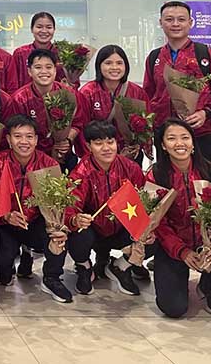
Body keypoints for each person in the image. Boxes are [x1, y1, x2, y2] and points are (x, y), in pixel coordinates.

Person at [147, 118, 211, 318]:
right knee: (174, 309)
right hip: (174, 248)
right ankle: (177, 279)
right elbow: (158, 223)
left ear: (193, 143)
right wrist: (181, 251)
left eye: (185, 137)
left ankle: (209, 287)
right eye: (172, 138)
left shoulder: (210, 171)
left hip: (208, 245)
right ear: (164, 146)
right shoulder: (156, 175)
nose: (179, 143)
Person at [0, 114, 73, 303]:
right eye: (17, 136)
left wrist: (58, 225)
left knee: (57, 234)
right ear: (8, 139)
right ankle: (12, 260)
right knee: (3, 274)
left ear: (36, 140)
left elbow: (57, 205)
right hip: (7, 225)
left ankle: (52, 277)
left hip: (35, 221)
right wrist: (7, 216)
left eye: (29, 136)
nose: (23, 141)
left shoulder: (49, 165)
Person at [143, 1, 211, 167]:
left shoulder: (206, 55)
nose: (175, 24)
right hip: (166, 136)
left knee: (209, 187)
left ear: (190, 23)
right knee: (170, 184)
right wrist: (147, 131)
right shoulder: (154, 58)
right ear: (160, 23)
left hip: (204, 135)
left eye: (181, 19)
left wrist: (206, 113)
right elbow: (147, 96)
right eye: (169, 19)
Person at [65, 120, 147, 296]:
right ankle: (85, 266)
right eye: (98, 143)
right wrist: (75, 219)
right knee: (77, 234)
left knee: (152, 234)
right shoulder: (80, 173)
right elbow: (69, 207)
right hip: (93, 231)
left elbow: (145, 200)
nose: (106, 148)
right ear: (88, 146)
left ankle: (121, 266)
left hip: (121, 227)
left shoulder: (130, 168)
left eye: (110, 142)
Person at [10, 49, 87, 172]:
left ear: (55, 70)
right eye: (38, 67)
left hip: (63, 155)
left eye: (49, 67)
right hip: (31, 158)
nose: (44, 71)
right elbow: (15, 131)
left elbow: (78, 122)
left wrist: (66, 141)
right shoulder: (19, 99)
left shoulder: (68, 94)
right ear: (30, 71)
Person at [79, 45, 151, 164]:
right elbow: (82, 128)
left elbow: (146, 125)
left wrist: (138, 146)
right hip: (99, 156)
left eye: (119, 63)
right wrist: (90, 155)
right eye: (108, 63)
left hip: (129, 157)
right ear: (99, 66)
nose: (114, 67)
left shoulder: (137, 92)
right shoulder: (88, 92)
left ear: (126, 66)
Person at [9, 12, 74, 89]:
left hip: (59, 98)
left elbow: (74, 81)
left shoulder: (64, 53)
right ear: (31, 29)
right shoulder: (20, 53)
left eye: (49, 27)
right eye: (39, 27)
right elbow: (13, 83)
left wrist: (70, 85)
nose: (44, 31)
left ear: (54, 30)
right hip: (26, 99)